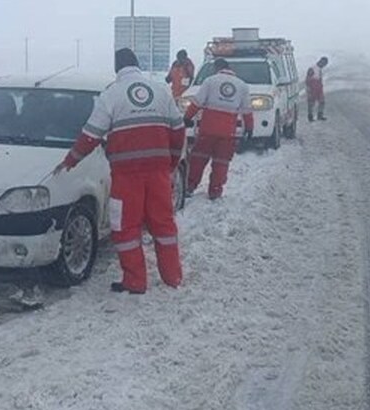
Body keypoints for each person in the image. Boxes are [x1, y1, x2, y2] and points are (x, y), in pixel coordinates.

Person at [57, 48, 185, 294]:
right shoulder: (160, 90)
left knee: (125, 227)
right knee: (164, 225)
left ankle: (135, 281)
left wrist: (70, 161)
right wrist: (171, 162)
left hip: (126, 176)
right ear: (136, 65)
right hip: (158, 172)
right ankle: (173, 278)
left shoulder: (111, 95)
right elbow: (178, 130)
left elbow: (91, 135)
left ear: (117, 68)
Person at [184, 58, 253, 200]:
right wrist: (249, 128)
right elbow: (247, 110)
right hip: (228, 132)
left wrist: (187, 118)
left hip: (207, 129)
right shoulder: (242, 86)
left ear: (217, 68)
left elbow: (197, 103)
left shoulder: (210, 81)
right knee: (221, 162)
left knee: (198, 159)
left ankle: (190, 186)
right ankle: (215, 190)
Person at [306, 56, 329, 121]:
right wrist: (309, 89)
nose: (324, 66)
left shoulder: (319, 69)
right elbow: (308, 79)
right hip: (312, 87)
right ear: (321, 61)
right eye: (324, 64)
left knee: (322, 101)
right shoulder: (312, 68)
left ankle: (320, 115)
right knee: (311, 102)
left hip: (319, 87)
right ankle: (310, 116)